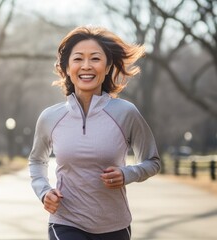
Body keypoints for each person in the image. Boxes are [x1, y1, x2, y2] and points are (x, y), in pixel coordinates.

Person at [28, 26, 161, 240]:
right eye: (78, 59)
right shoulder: (50, 117)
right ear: (67, 68)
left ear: (107, 67)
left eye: (95, 59)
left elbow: (152, 161)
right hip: (65, 222)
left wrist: (127, 174)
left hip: (114, 225)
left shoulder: (125, 113)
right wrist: (44, 192)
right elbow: (36, 161)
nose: (86, 66)